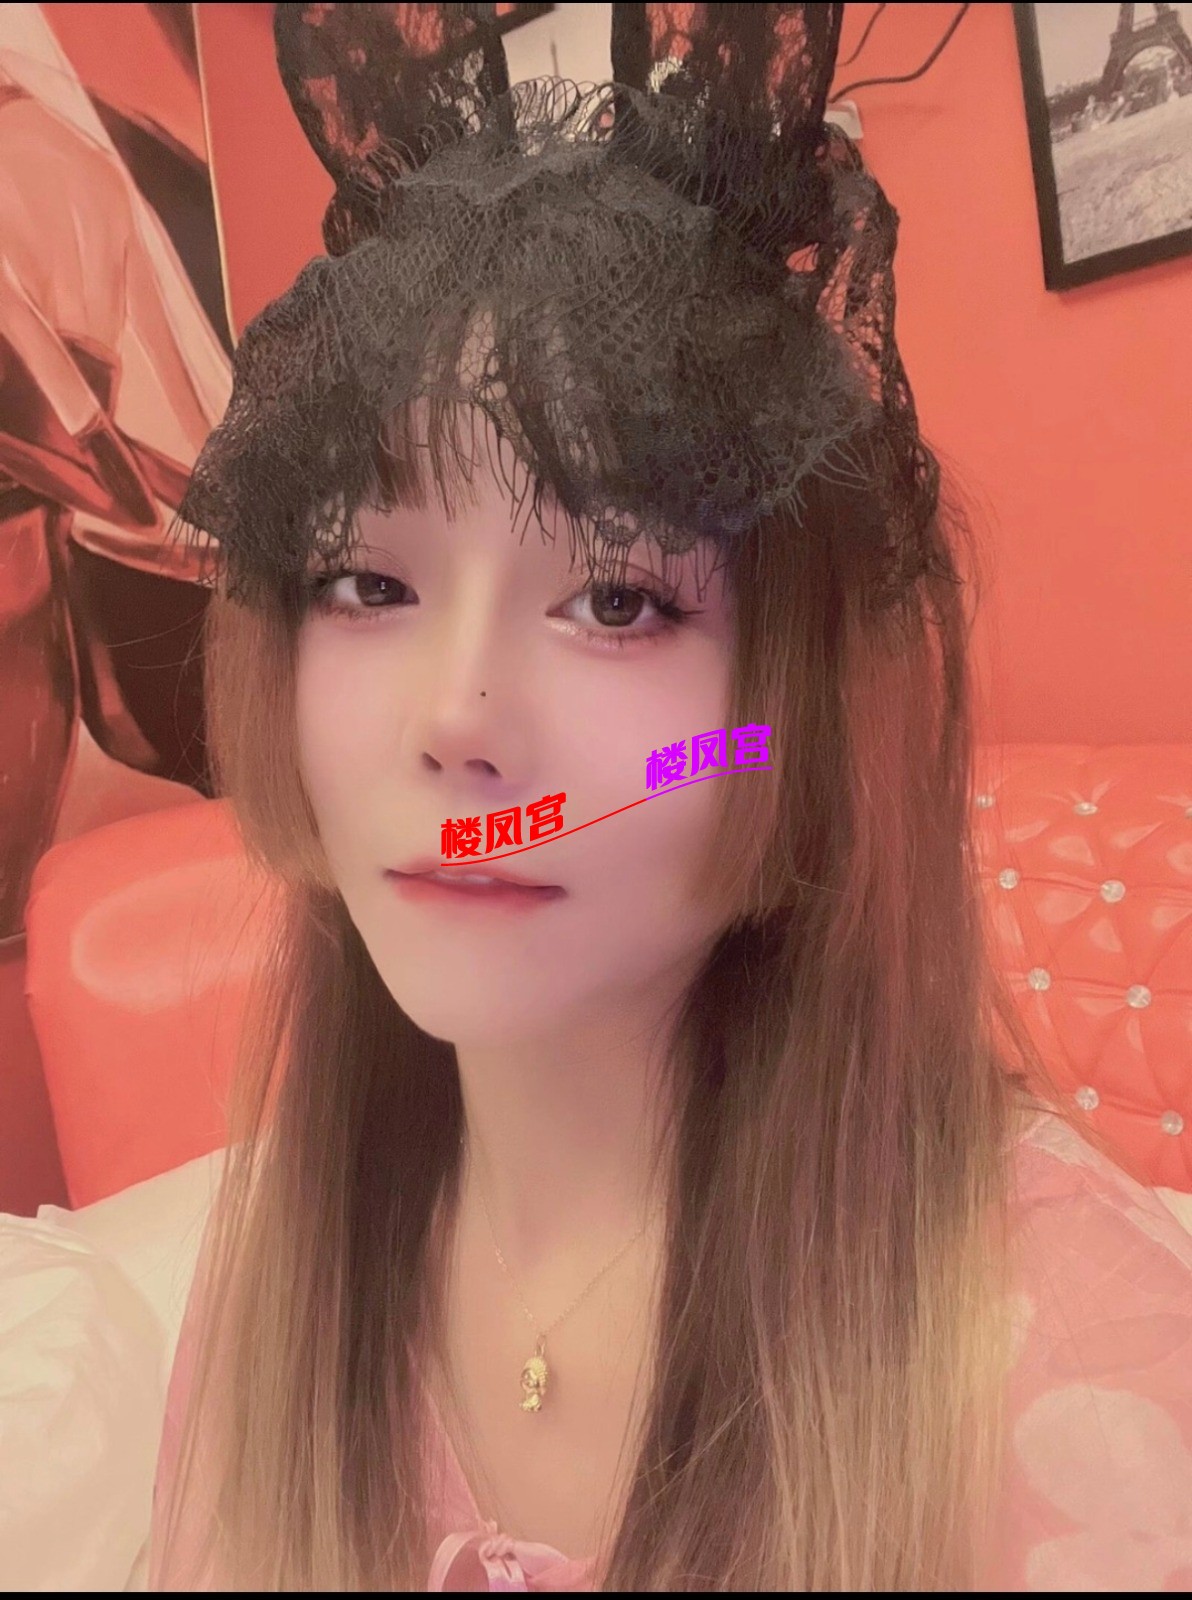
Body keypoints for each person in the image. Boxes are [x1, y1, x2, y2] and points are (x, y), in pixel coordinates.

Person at [147, 4, 1192, 1591]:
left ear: (787, 723)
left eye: (620, 600)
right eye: (366, 581)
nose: (456, 723)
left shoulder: (1081, 1377)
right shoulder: (279, 1281)